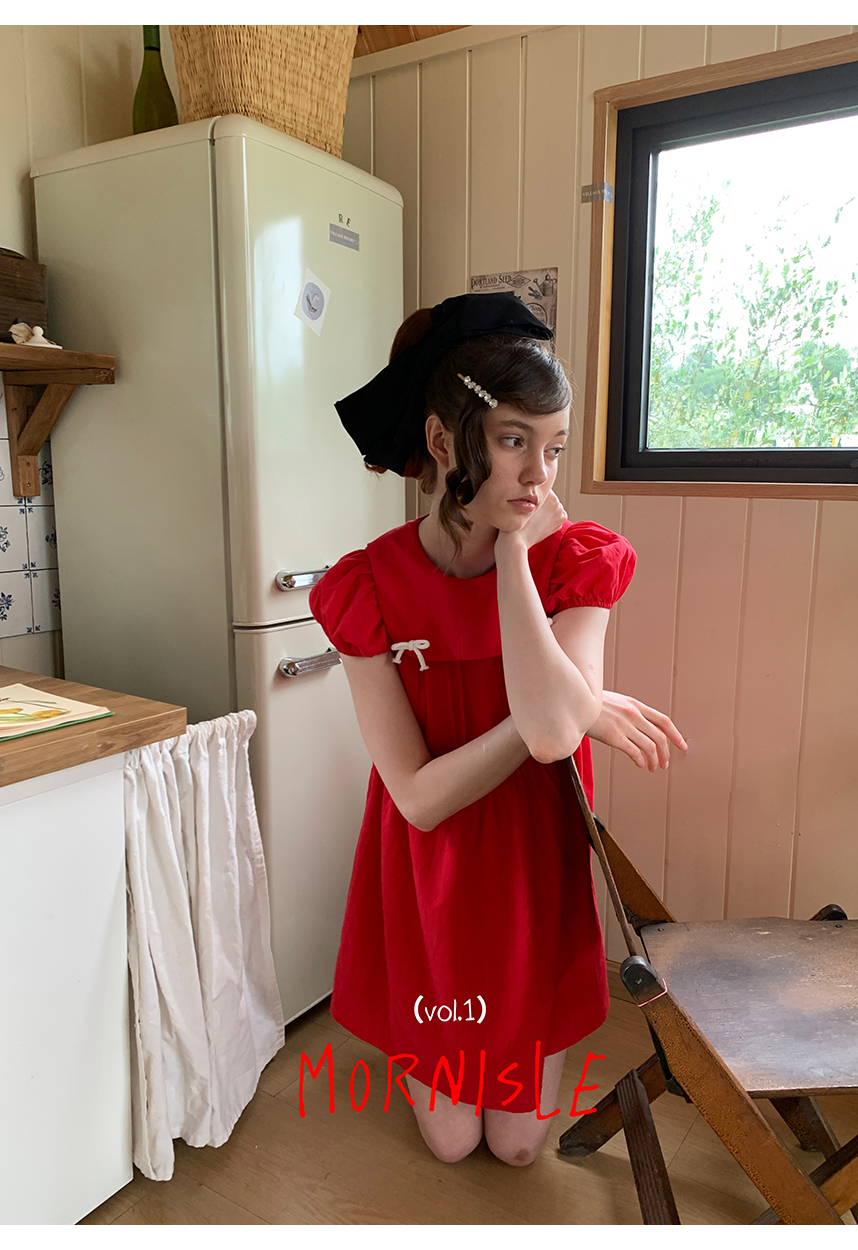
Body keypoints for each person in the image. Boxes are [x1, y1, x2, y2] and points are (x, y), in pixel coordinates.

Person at [309, 293, 686, 1167]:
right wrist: (580, 705)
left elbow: (554, 741)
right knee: (450, 1141)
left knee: (516, 1147)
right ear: (444, 443)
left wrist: (514, 553)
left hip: (530, 855)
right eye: (514, 441)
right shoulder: (366, 587)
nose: (538, 477)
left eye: (552, 448)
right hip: (429, 860)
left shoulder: (573, 560)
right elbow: (418, 796)